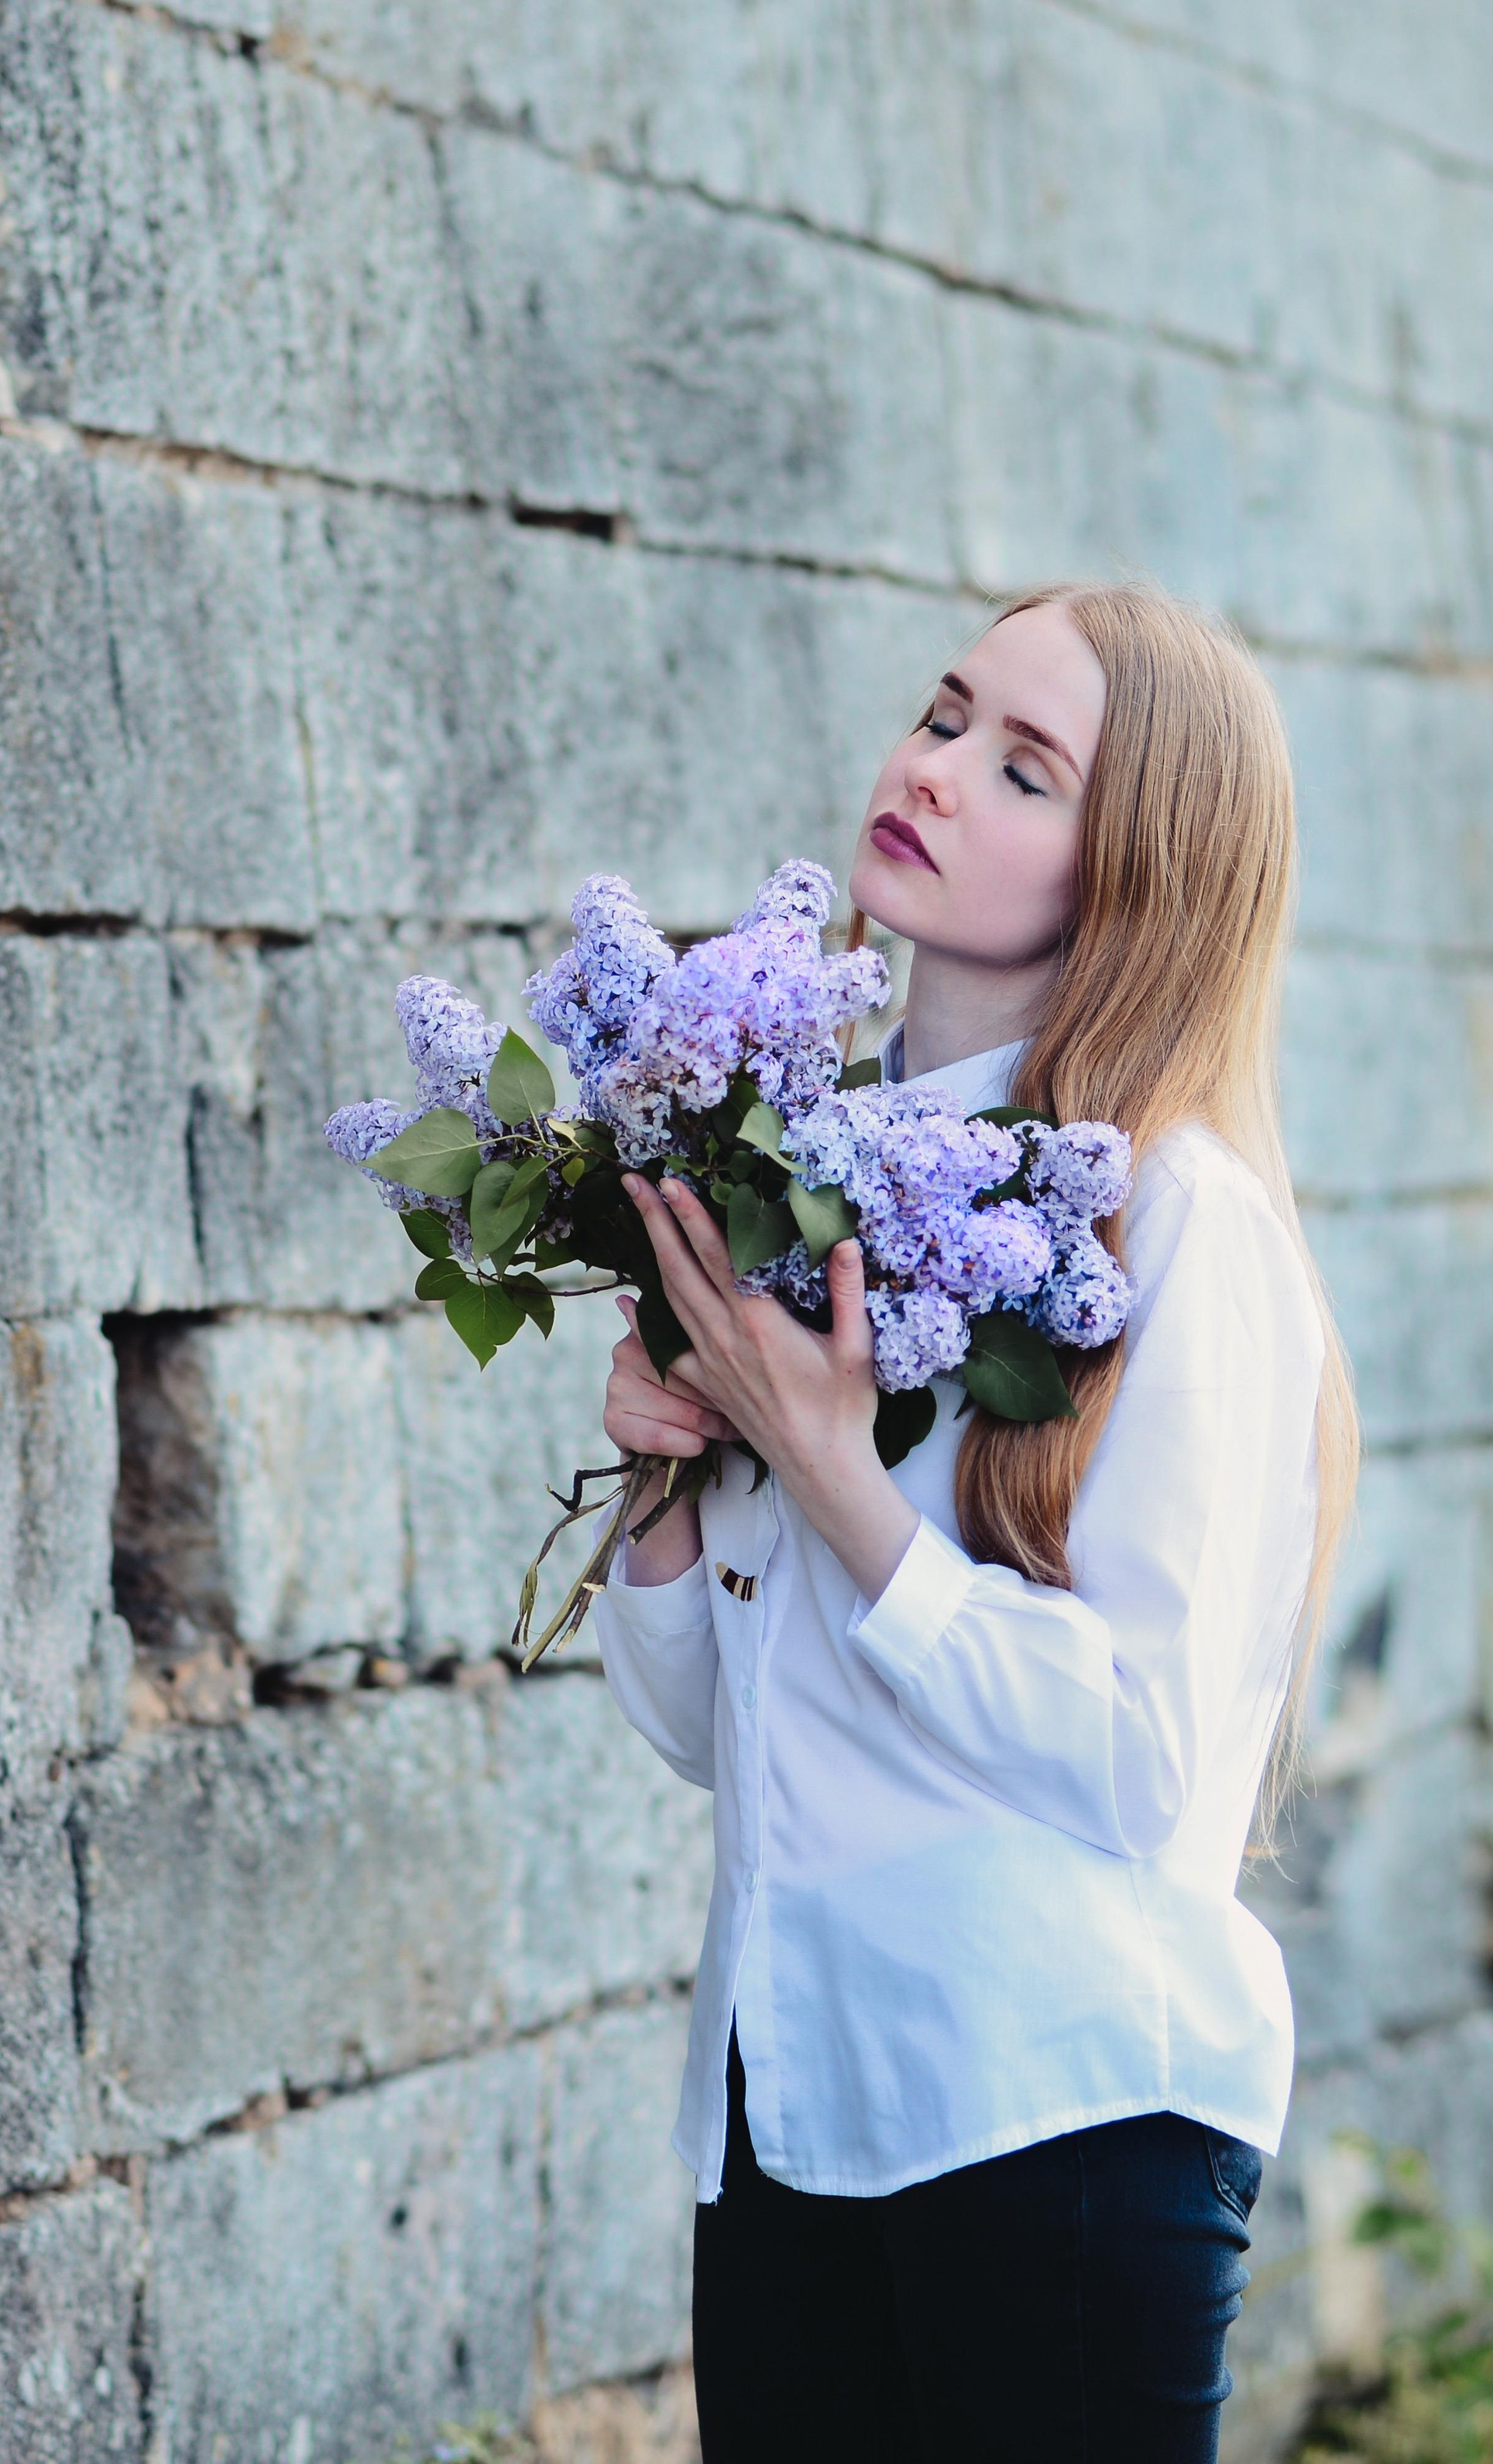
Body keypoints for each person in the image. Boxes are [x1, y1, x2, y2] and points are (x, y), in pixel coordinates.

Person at [590, 582, 1359, 2463]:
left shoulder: (1175, 1225)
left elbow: (1142, 1756)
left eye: (1025, 769)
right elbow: (717, 1729)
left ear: (1135, 875)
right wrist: (669, 1476)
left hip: (1054, 2112)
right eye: (943, 716)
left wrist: (837, 1478)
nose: (934, 772)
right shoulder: (788, 1181)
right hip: (787, 2099)